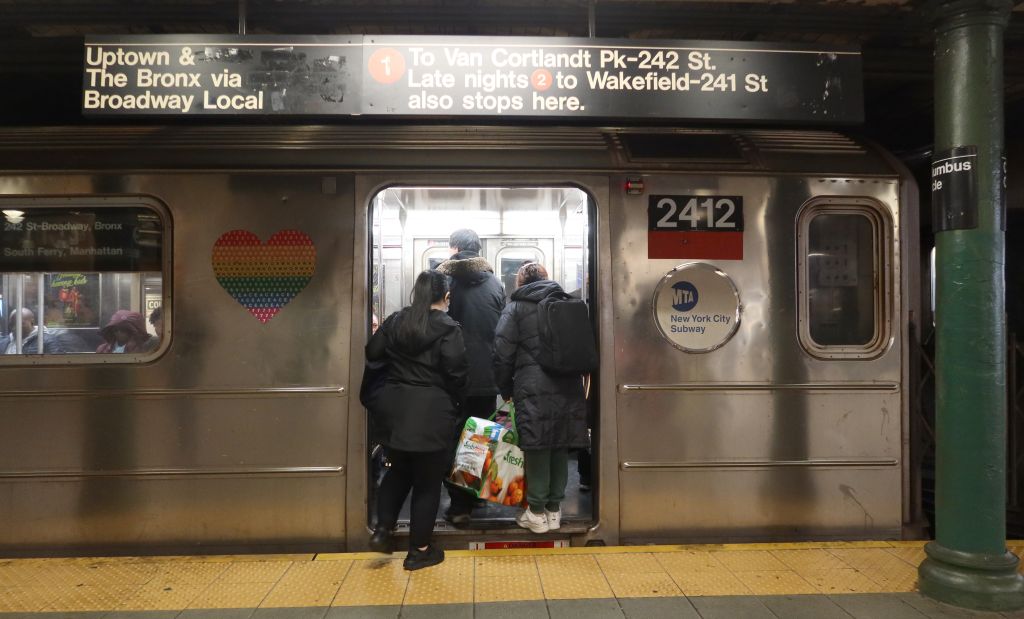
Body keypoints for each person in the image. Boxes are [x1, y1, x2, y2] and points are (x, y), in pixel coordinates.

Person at [366, 270, 467, 570]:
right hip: (432, 413)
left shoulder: (396, 321)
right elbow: (457, 373)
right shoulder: (449, 328)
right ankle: (419, 551)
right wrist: (456, 403)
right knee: (427, 483)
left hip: (395, 411)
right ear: (446, 297)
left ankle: (383, 532)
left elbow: (372, 352)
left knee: (397, 472)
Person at [493, 262, 589, 534]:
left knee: (536, 444)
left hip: (531, 384)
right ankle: (553, 510)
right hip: (568, 383)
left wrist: (504, 388)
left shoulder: (516, 308)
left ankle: (535, 512)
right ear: (548, 279)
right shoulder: (567, 303)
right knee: (560, 443)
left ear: (520, 282)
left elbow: (502, 352)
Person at [435, 228, 506, 526]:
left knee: (452, 436)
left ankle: (459, 504)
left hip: (452, 375)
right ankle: (473, 494)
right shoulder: (495, 283)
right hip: (487, 375)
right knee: (479, 436)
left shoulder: (444, 279)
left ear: (453, 248)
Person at [0, 308, 80, 354]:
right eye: (12, 324)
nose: (15, 327)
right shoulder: (4, 341)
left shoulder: (47, 341)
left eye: (21, 323)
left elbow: (57, 365)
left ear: (32, 322)